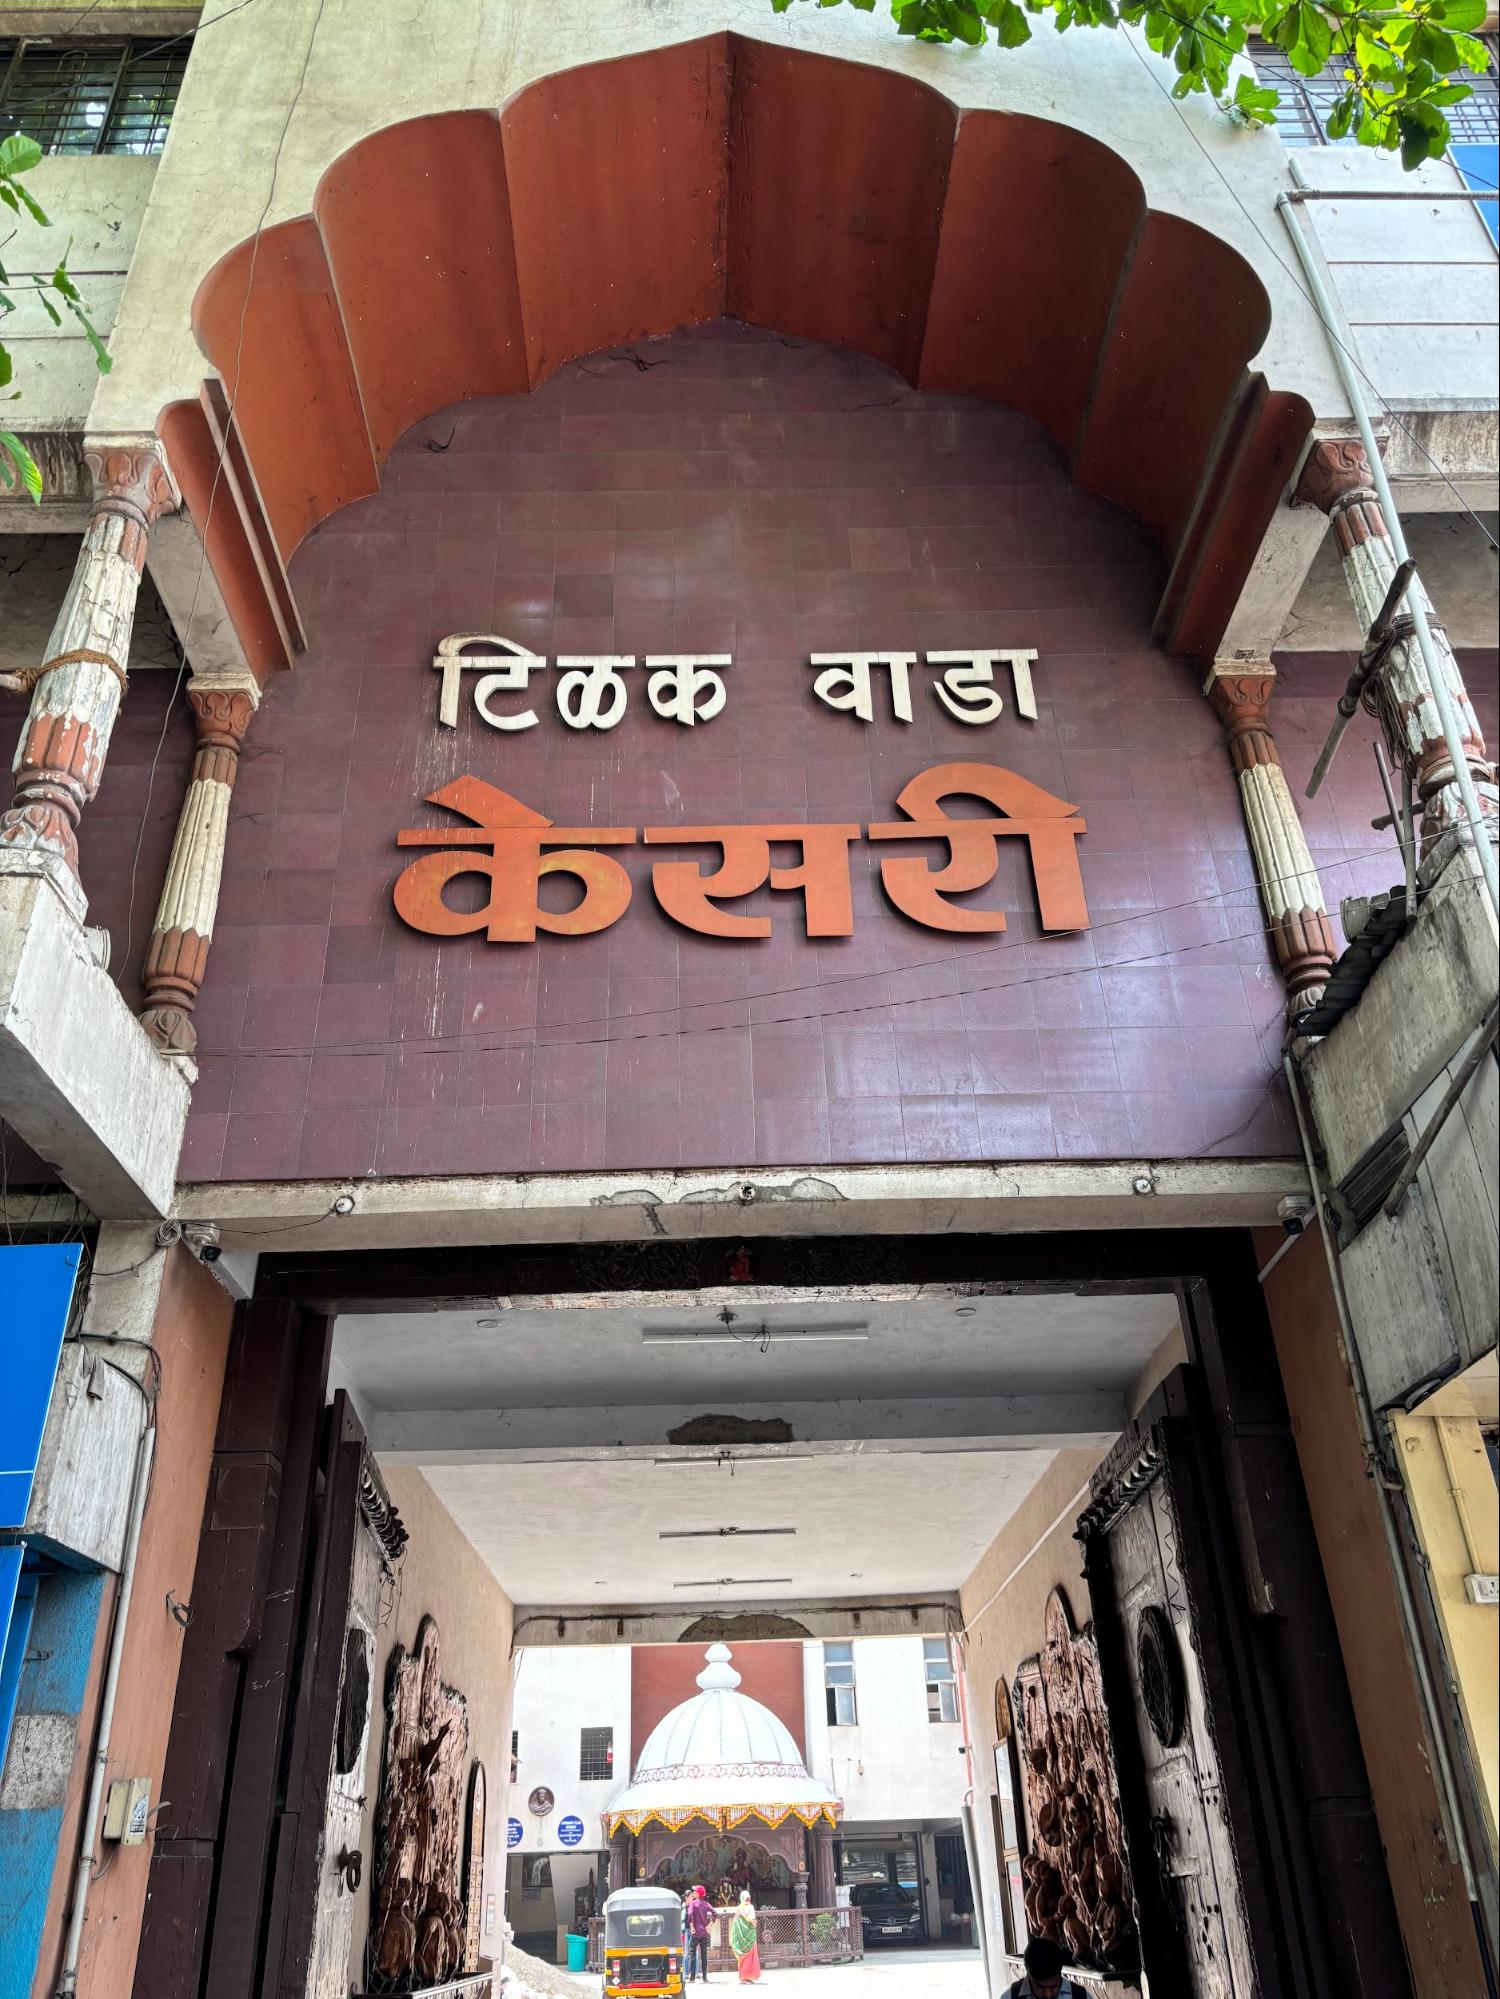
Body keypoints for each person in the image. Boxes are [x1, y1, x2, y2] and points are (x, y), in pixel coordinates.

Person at [1006, 1935, 1089, 1999]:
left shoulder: (1081, 1996)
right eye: (1040, 1987)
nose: (1048, 1995)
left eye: (1053, 1986)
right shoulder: (1009, 1997)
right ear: (1027, 1970)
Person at [729, 1889, 761, 1984]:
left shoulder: (738, 1908)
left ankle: (742, 1978)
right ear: (749, 1898)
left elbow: (735, 1922)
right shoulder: (750, 1907)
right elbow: (753, 1920)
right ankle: (746, 1977)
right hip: (750, 1937)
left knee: (742, 1957)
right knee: (749, 1957)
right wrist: (754, 1924)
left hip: (740, 1937)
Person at [686, 1884, 713, 1984]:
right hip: (704, 1934)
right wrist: (710, 1925)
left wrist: (692, 1927)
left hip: (696, 1934)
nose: (694, 1893)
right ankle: (705, 1978)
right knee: (704, 1955)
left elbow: (689, 1915)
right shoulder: (706, 1904)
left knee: (692, 1955)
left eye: (695, 1891)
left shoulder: (693, 1904)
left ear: (698, 1893)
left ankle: (692, 1978)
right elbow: (714, 1913)